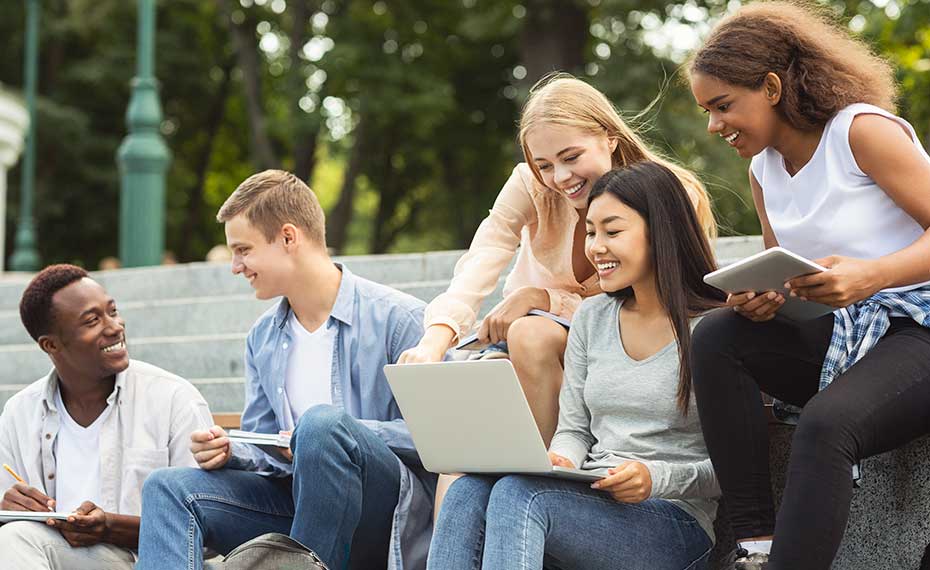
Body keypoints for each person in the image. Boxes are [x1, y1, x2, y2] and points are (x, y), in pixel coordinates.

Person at [687, 3, 930, 569]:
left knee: (827, 420)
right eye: (706, 110)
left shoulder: (862, 131)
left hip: (918, 328)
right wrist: (765, 297)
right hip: (848, 338)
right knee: (719, 333)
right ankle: (753, 542)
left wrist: (872, 274)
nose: (713, 126)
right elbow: (788, 271)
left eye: (723, 106)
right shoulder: (762, 170)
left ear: (771, 86)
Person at [401, 79, 716, 514]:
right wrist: (436, 337)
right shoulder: (531, 185)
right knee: (463, 456)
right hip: (525, 348)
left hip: (601, 345)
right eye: (544, 164)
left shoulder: (668, 192)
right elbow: (487, 251)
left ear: (609, 136)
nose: (560, 178)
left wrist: (543, 298)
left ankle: (546, 486)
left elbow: (669, 297)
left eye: (571, 158)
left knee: (532, 334)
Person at [427, 162, 725, 570]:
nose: (595, 247)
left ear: (661, 231)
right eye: (590, 231)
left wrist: (654, 477)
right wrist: (563, 460)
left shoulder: (715, 327)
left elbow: (734, 467)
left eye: (613, 231)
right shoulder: (592, 317)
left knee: (520, 495)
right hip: (590, 494)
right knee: (467, 489)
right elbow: (573, 430)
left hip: (674, 519)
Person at [136, 170, 434, 570]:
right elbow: (267, 448)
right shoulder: (263, 337)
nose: (235, 266)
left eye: (243, 250)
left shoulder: (400, 319)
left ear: (288, 238)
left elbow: (441, 437)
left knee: (323, 426)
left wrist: (334, 435)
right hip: (297, 505)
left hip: (383, 513)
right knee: (168, 488)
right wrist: (232, 452)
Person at [0, 264, 213, 569]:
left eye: (112, 311)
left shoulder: (173, 398)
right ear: (51, 345)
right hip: (55, 556)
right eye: (92, 320)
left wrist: (110, 527)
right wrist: (8, 508)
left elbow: (209, 527)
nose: (114, 326)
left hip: (151, 561)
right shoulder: (20, 412)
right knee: (13, 536)